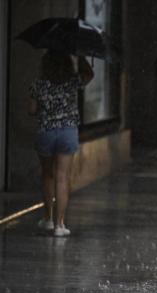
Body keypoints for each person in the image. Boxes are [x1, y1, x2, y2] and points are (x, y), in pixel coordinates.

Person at [28, 50, 94, 237]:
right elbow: (89, 75)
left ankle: (48, 218)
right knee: (62, 177)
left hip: (46, 132)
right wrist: (81, 57)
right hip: (67, 132)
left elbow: (31, 109)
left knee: (47, 175)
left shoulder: (38, 84)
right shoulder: (72, 81)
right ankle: (60, 225)